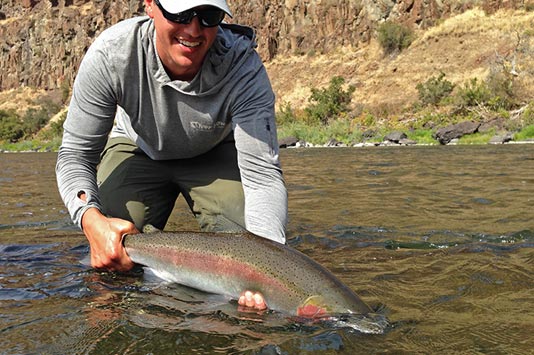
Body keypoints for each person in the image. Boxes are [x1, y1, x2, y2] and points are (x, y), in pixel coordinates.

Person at [55, 0, 287, 311]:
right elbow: (75, 155)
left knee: (253, 240)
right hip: (138, 148)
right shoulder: (112, 54)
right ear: (150, 6)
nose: (194, 30)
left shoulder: (243, 67)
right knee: (112, 248)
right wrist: (90, 219)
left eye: (208, 16)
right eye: (179, 14)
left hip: (215, 152)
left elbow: (262, 175)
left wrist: (267, 270)